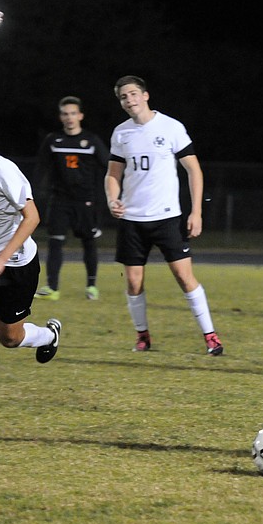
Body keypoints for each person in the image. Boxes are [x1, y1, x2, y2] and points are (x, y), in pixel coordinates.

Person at [104, 75, 223, 356]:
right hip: (132, 220)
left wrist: (196, 211)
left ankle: (211, 336)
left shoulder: (171, 127)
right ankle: (143, 335)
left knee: (184, 277)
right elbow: (113, 173)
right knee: (133, 282)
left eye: (133, 93)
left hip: (167, 217)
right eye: (123, 97)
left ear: (145, 95)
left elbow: (194, 170)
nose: (129, 99)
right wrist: (112, 198)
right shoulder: (121, 133)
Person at [0, 120, 62, 363]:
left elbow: (32, 217)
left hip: (14, 264)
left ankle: (48, 335)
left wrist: (0, 260)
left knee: (10, 338)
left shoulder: (0, 170)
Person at [34, 96, 109, 301]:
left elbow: (109, 167)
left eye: (73, 113)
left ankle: (91, 286)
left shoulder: (92, 141)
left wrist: (107, 195)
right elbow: (41, 168)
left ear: (80, 116)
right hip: (59, 200)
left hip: (86, 201)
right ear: (61, 117)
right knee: (55, 242)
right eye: (65, 114)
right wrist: (35, 192)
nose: (69, 117)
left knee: (88, 243)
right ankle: (52, 288)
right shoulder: (53, 140)